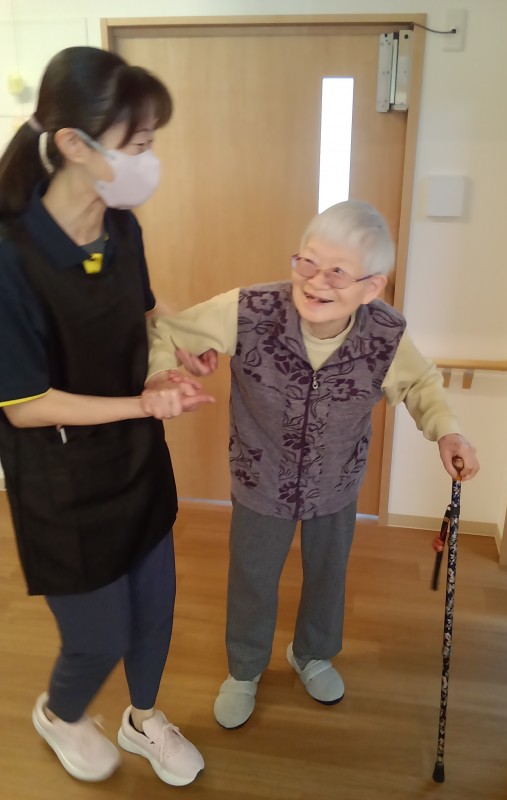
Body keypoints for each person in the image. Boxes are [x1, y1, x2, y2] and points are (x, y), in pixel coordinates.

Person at [146, 199, 480, 730]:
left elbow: (421, 383)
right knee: (253, 575)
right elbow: (168, 332)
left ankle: (312, 655)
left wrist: (448, 431)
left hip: (336, 482)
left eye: (337, 272)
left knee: (328, 573)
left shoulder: (386, 334)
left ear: (371, 287)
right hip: (260, 479)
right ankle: (245, 668)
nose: (315, 281)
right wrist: (162, 374)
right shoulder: (249, 309)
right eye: (307, 261)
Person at [0, 46, 212, 785]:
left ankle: (142, 718)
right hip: (62, 486)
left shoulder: (121, 226)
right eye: (138, 144)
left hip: (137, 462)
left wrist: (176, 346)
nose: (150, 160)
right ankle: (61, 714)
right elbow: (26, 406)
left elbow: (144, 311)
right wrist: (144, 401)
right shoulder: (11, 258)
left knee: (153, 613)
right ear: (73, 144)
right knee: (98, 638)